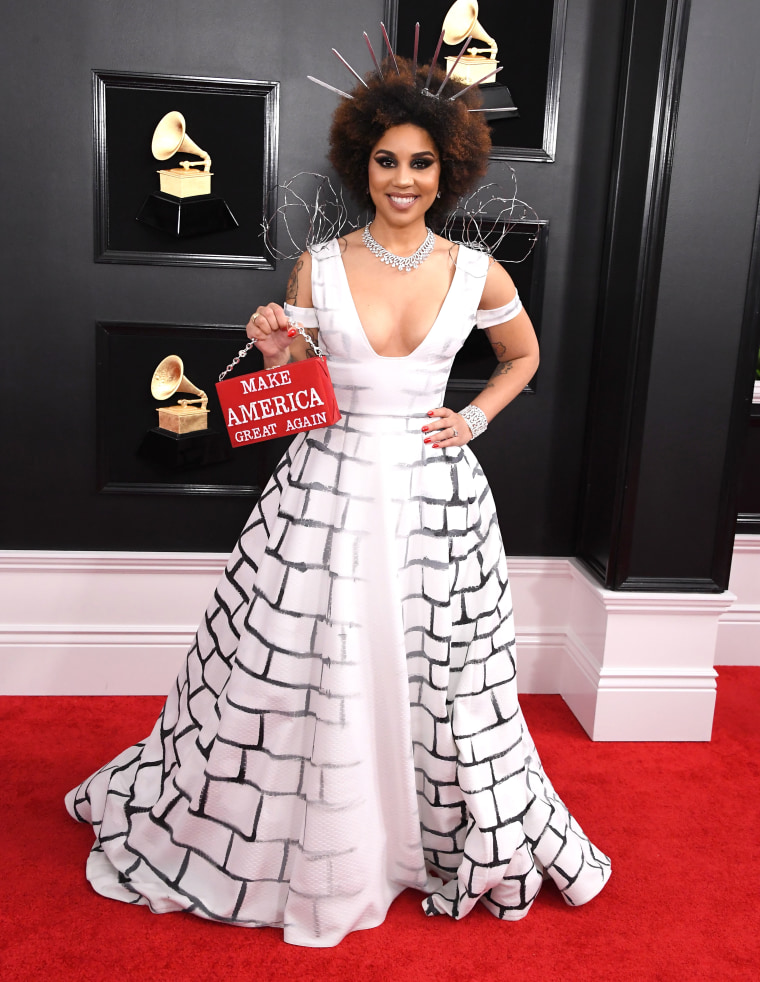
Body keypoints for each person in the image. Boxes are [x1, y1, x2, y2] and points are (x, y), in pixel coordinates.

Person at [66, 54, 610, 948]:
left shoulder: (480, 274)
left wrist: (471, 419)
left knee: (443, 675)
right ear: (364, 163)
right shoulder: (317, 269)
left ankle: (422, 832)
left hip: (436, 502)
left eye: (422, 163)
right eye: (388, 160)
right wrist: (274, 345)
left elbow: (526, 360)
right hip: (324, 490)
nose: (403, 179)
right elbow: (296, 391)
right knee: (300, 661)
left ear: (449, 170)